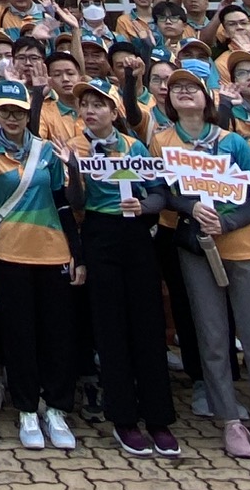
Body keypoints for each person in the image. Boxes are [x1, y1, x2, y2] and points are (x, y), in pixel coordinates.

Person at [151, 68, 250, 461]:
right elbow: (162, 192)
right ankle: (230, 420)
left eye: (192, 87)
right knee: (212, 336)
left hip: (242, 245)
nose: (184, 92)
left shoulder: (233, 142)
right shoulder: (162, 141)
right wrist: (190, 208)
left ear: (208, 98)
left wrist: (228, 222)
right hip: (196, 246)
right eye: (177, 88)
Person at [0, 83, 79, 451]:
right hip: (10, 252)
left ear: (27, 113)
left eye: (18, 111)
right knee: (19, 334)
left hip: (53, 250)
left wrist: (77, 251)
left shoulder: (47, 150)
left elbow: (63, 201)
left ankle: (56, 408)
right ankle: (28, 409)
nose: (12, 118)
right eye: (5, 111)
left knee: (57, 335)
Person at [70, 79, 176, 458]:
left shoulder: (134, 147)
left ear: (114, 112)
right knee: (110, 326)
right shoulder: (75, 147)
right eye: (85, 105)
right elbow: (75, 202)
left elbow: (161, 192)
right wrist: (74, 171)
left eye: (99, 104)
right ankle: (124, 419)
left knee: (147, 325)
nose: (91, 111)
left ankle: (159, 418)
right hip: (98, 233)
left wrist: (145, 207)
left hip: (136, 233)